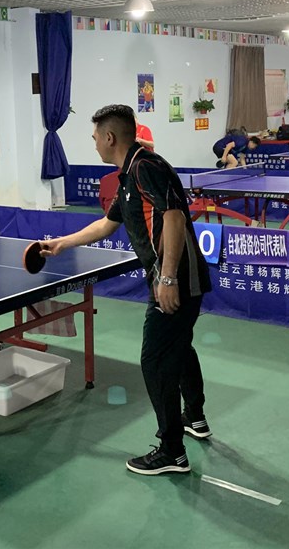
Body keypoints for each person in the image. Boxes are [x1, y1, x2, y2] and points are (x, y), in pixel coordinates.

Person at [40, 104, 212, 475]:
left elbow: (174, 217)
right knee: (178, 347)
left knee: (155, 360)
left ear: (109, 137)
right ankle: (194, 417)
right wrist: (62, 243)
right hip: (172, 277)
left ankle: (172, 452)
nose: (94, 144)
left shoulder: (146, 167)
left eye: (95, 137)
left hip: (177, 278)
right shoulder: (129, 174)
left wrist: (167, 278)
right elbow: (107, 224)